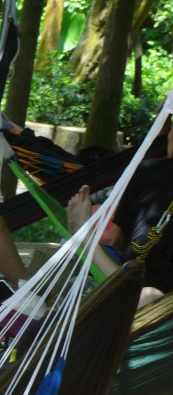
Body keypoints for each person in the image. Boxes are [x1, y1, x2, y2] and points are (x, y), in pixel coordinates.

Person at [66, 121, 173, 306]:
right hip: (149, 293)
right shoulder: (149, 171)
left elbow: (117, 240)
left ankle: (85, 236)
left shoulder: (149, 170)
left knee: (147, 295)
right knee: (147, 292)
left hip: (144, 296)